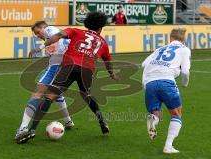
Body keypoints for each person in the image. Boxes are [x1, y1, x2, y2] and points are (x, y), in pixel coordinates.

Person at [18, 11, 119, 143]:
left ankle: (32, 130)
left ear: (87, 24)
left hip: (69, 66)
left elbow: (58, 35)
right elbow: (108, 62)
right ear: (100, 28)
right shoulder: (103, 43)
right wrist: (112, 74)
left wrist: (42, 46)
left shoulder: (76, 31)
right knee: (86, 95)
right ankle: (102, 121)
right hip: (87, 69)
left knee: (49, 97)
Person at [15, 21, 74, 144]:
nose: (37, 35)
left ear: (43, 27)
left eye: (37, 32)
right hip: (66, 67)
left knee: (37, 94)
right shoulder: (54, 38)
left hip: (57, 67)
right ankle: (68, 121)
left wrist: (39, 48)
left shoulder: (49, 29)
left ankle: (23, 128)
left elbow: (54, 35)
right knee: (55, 95)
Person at [142, 28, 191, 154]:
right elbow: (185, 71)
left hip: (150, 82)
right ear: (183, 39)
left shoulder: (160, 49)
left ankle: (153, 119)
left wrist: (145, 83)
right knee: (176, 113)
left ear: (170, 38)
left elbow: (144, 64)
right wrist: (185, 83)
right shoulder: (184, 49)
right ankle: (168, 146)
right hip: (167, 81)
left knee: (155, 112)